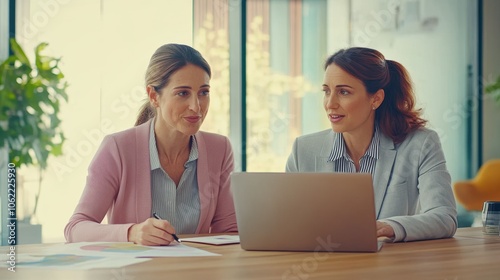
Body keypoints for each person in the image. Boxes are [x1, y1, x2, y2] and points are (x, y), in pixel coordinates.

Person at [65, 44, 237, 245]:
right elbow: (75, 228)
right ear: (154, 96)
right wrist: (132, 233)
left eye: (204, 92)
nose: (196, 106)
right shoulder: (118, 148)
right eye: (183, 93)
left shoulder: (220, 149)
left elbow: (229, 232)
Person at [286, 47, 457, 242]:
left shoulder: (421, 144)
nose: (330, 103)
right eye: (326, 91)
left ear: (376, 98)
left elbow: (445, 218)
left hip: (390, 268)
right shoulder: (304, 149)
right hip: (323, 266)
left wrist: (390, 227)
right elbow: (287, 219)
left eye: (343, 92)